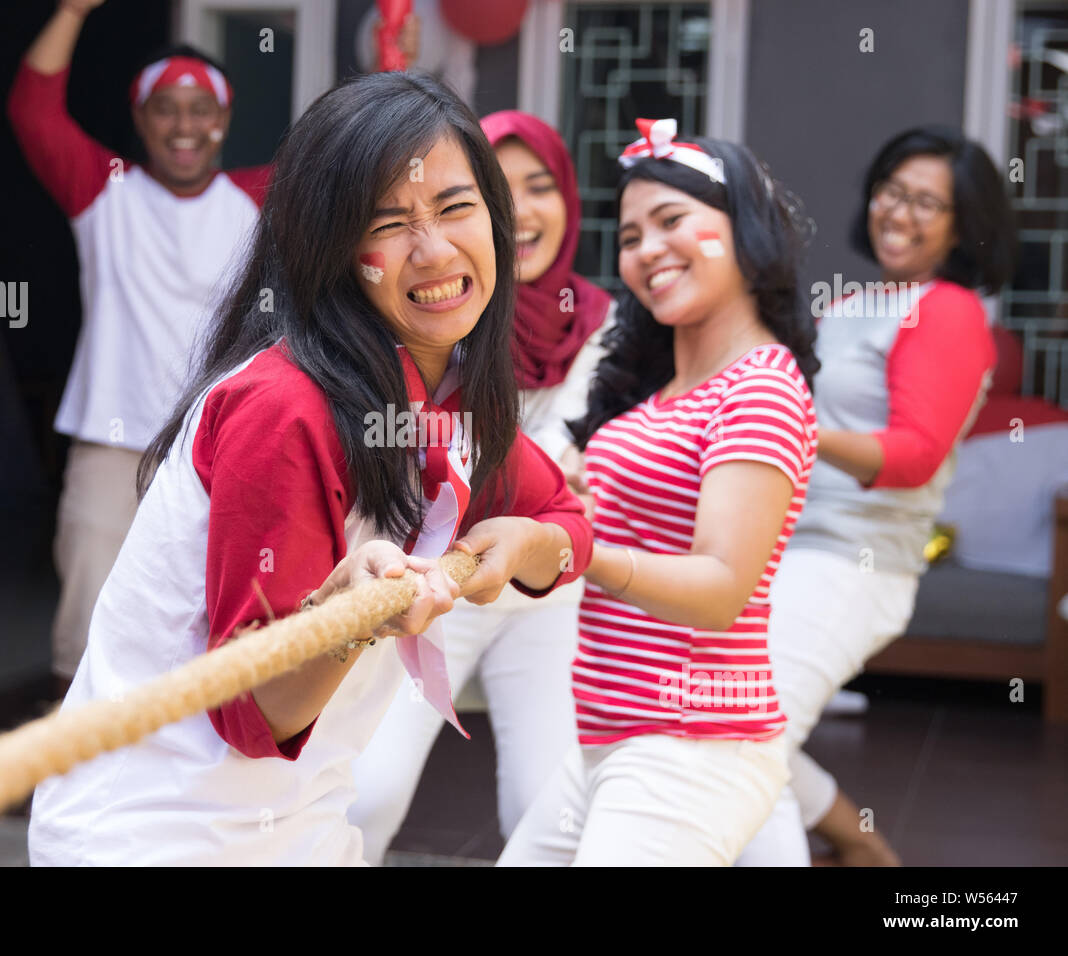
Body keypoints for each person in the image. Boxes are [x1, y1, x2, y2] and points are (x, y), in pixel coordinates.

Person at [26, 71, 594, 866]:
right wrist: (352, 612)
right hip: (155, 837)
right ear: (328, 250)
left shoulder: (448, 393)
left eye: (456, 208)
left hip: (302, 827)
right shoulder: (285, 407)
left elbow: (567, 520)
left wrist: (517, 551)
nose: (433, 250)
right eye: (388, 223)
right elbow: (254, 715)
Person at [499, 119, 820, 866]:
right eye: (633, 234)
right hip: (611, 741)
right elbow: (640, 530)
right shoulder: (660, 393)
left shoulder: (762, 385)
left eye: (673, 221)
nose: (647, 250)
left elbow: (718, 589)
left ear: (744, 230)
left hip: (687, 745)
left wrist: (577, 547)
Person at [735, 126, 1016, 867]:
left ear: (963, 227)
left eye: (928, 202)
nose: (901, 211)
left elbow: (913, 456)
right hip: (786, 550)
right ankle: (861, 846)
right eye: (894, 190)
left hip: (851, 565)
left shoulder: (949, 310)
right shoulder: (858, 302)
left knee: (738, 736)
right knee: (723, 716)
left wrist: (795, 422)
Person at [348, 110, 612, 864]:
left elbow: (574, 479)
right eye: (499, 190)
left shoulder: (608, 326)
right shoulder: (433, 303)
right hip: (428, 578)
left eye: (541, 187)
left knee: (548, 807)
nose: (523, 211)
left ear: (568, 195)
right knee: (368, 791)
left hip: (545, 581)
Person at [7, 0, 267, 690]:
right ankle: (73, 770)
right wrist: (71, 11)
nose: (184, 125)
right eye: (165, 108)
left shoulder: (259, 200)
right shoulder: (104, 188)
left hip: (219, 446)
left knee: (209, 622)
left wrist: (395, 58)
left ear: (224, 121)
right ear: (141, 121)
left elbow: (353, 166)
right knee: (88, 622)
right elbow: (34, 111)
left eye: (199, 108)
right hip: (109, 442)